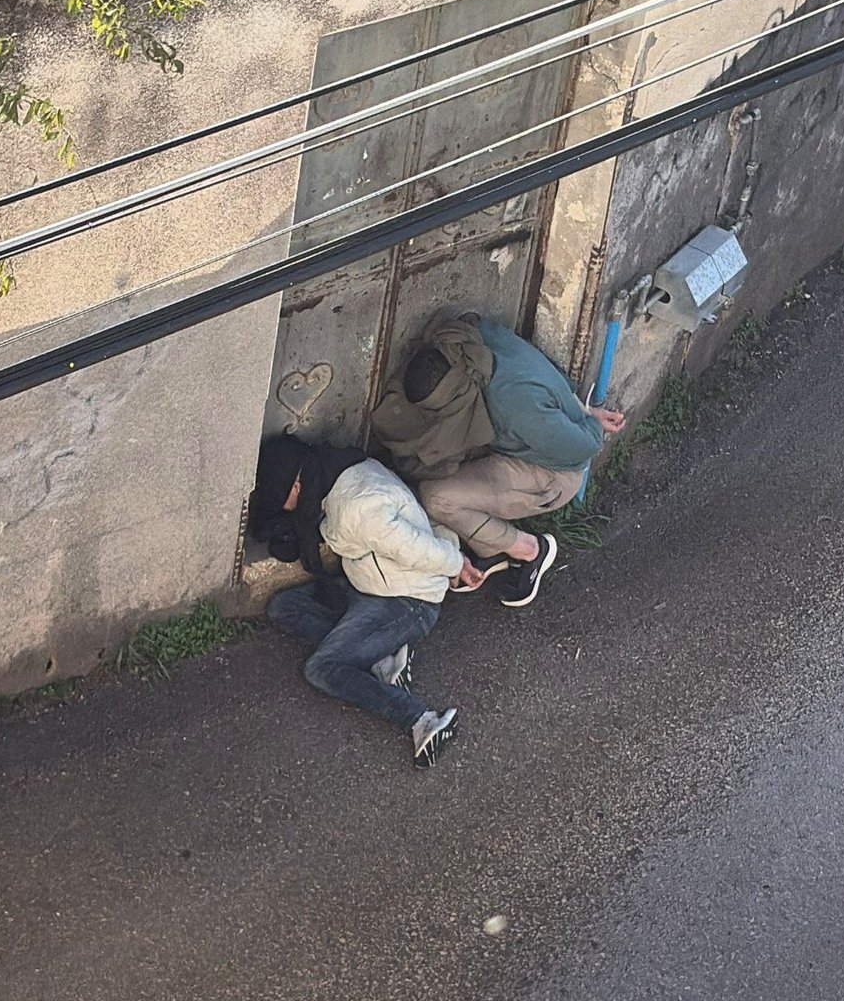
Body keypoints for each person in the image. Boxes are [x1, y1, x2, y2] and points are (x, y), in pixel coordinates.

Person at [250, 434, 482, 768]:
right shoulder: (344, 469)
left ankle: (422, 719)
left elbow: (414, 547)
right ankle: (380, 658)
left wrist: (457, 563)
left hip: (407, 602)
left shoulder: (357, 508)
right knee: (284, 607)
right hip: (370, 585)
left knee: (322, 668)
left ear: (296, 485)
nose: (282, 508)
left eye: (281, 498)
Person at [372, 315, 626, 606]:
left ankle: (530, 550)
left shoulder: (513, 407)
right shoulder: (468, 339)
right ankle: (490, 551)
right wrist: (579, 411)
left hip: (555, 473)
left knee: (437, 498)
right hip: (542, 430)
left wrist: (590, 423)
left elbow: (583, 447)